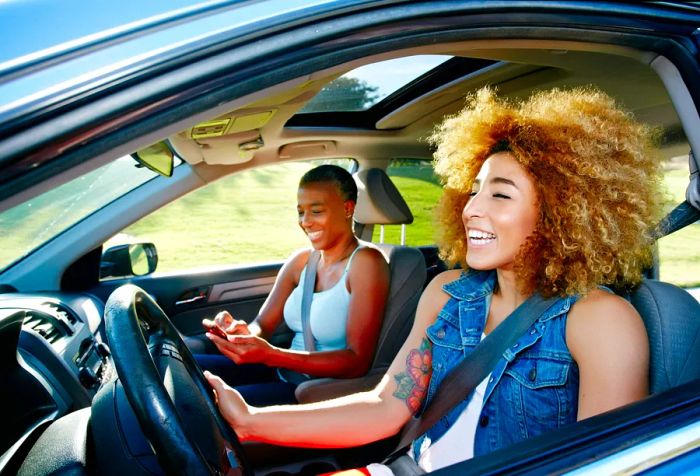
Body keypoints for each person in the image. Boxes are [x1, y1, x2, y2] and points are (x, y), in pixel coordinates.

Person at [204, 87, 666, 473]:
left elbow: (604, 466)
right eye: (474, 189)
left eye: (500, 194)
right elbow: (387, 407)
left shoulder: (600, 321)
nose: (472, 208)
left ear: (564, 212)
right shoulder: (446, 292)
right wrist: (251, 420)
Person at [199, 164, 391, 407]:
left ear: (347, 208)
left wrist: (272, 355)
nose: (306, 222)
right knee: (187, 368)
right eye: (301, 212)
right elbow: (262, 325)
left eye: (317, 211)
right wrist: (241, 333)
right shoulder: (301, 261)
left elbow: (357, 361)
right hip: (282, 373)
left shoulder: (366, 263)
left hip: (319, 392)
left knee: (206, 405)